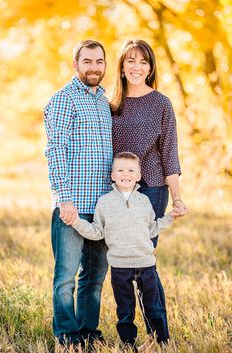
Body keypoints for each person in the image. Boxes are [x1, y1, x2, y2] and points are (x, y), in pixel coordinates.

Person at [110, 39, 189, 340]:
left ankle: (159, 335)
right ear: (122, 65)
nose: (136, 67)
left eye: (143, 61)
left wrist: (178, 197)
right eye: (131, 60)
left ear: (150, 67)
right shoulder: (110, 104)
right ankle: (133, 335)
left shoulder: (161, 103)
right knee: (122, 264)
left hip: (152, 189)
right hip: (118, 193)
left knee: (144, 263)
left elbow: (170, 153)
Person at [72, 152, 180, 351]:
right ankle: (129, 344)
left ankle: (162, 342)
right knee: (125, 311)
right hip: (120, 267)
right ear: (112, 175)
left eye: (131, 170)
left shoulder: (144, 201)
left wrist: (170, 217)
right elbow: (97, 232)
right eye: (120, 170)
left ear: (138, 175)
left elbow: (152, 229)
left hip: (146, 265)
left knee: (153, 308)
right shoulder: (104, 202)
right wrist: (77, 222)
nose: (126, 174)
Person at [44, 40, 112, 348]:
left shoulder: (104, 101)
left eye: (99, 61)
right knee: (66, 278)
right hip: (73, 205)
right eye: (88, 61)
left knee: (95, 277)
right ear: (76, 65)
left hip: (102, 208)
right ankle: (67, 334)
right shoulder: (63, 100)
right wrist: (64, 197)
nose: (94, 67)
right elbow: (55, 150)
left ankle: (88, 331)